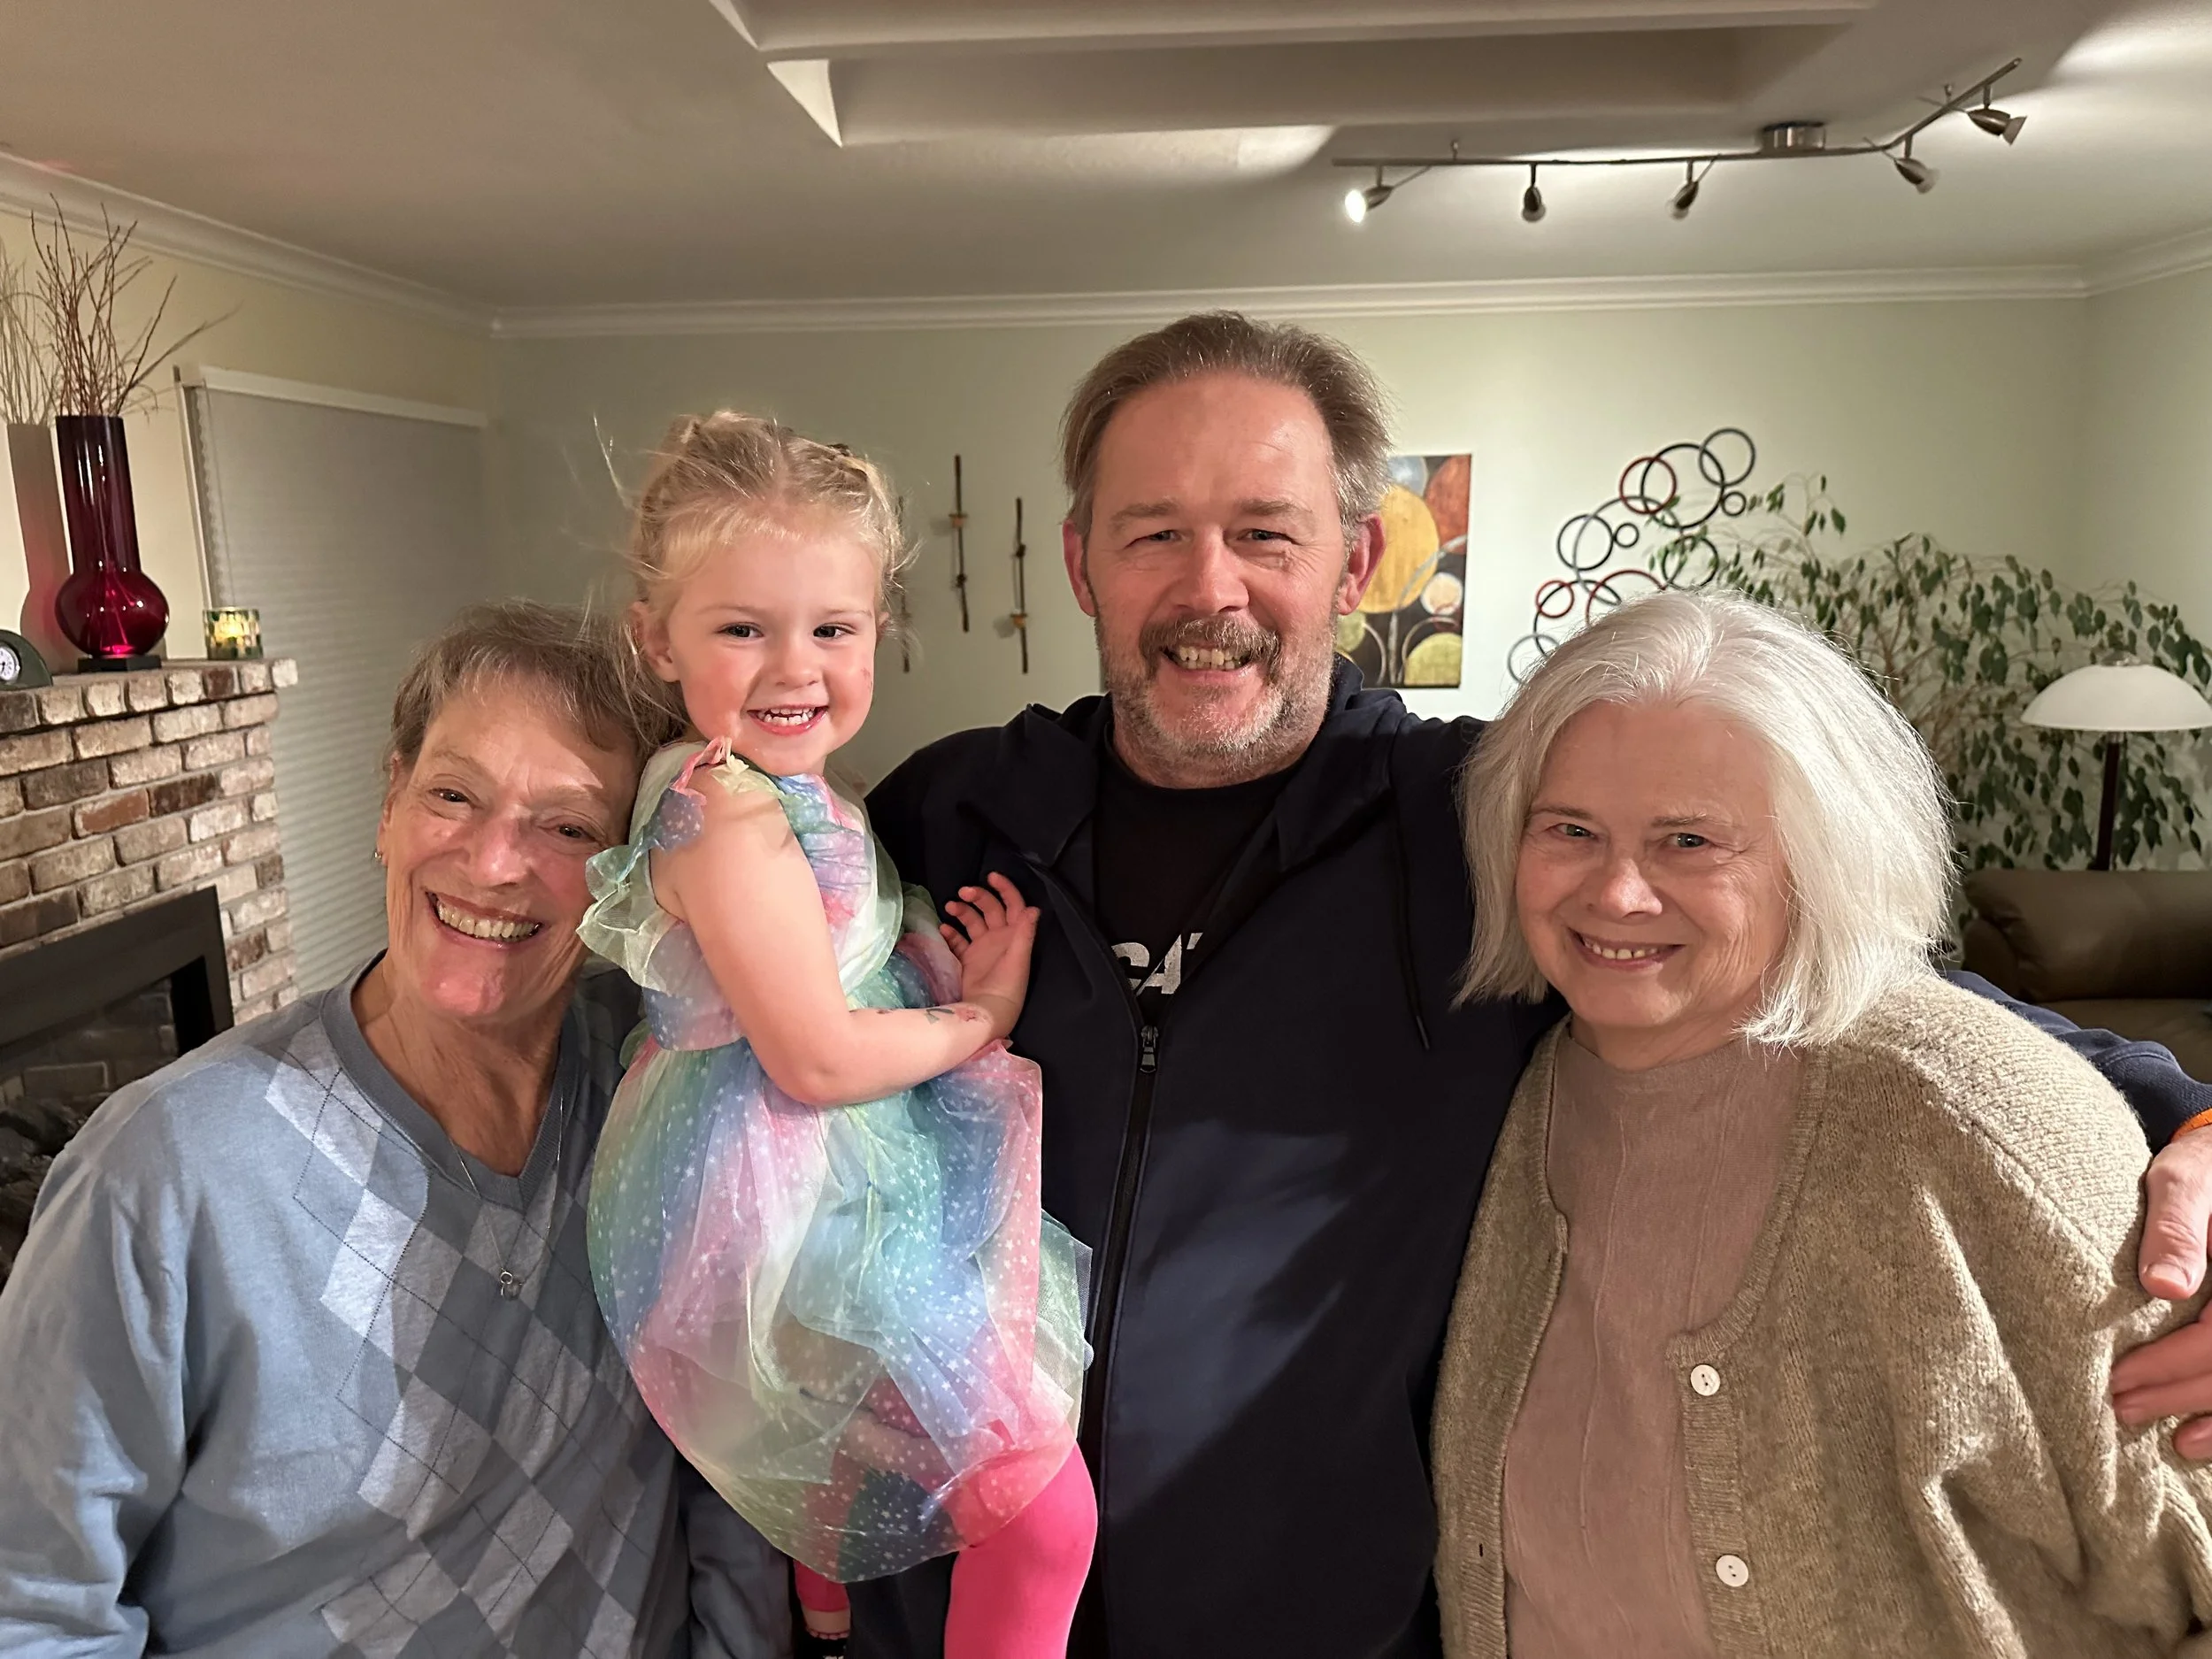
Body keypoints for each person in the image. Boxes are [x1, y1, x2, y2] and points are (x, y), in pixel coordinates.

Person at [853, 311, 2212, 1657]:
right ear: (1085, 561)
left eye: (1266, 533)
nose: (1212, 588)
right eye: (1154, 532)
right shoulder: (955, 815)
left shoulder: (1490, 817)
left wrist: (2186, 1111)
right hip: (960, 1608)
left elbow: (1851, 982)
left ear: (1356, 560)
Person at [0, 603, 790, 1657]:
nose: (495, 862)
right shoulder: (168, 1171)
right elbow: (33, 1605)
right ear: (388, 804)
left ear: (632, 877)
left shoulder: (659, 1095)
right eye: (453, 795)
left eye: (566, 826)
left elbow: (730, 1452)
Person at [1432, 588, 2212, 1655]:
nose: (1615, 892)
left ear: (1816, 856)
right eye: (1570, 830)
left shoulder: (1973, 1119)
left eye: (1690, 840)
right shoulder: (1522, 1082)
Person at [578, 414, 1095, 1659]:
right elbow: (812, 1052)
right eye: (741, 628)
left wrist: (921, 961)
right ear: (658, 637)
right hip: (793, 1197)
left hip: (825, 1167)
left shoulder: (791, 792)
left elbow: (827, 964)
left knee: (857, 1469)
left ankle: (826, 1609)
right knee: (1045, 1513)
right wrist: (980, 1019)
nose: (794, 665)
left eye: (834, 627)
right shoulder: (725, 814)